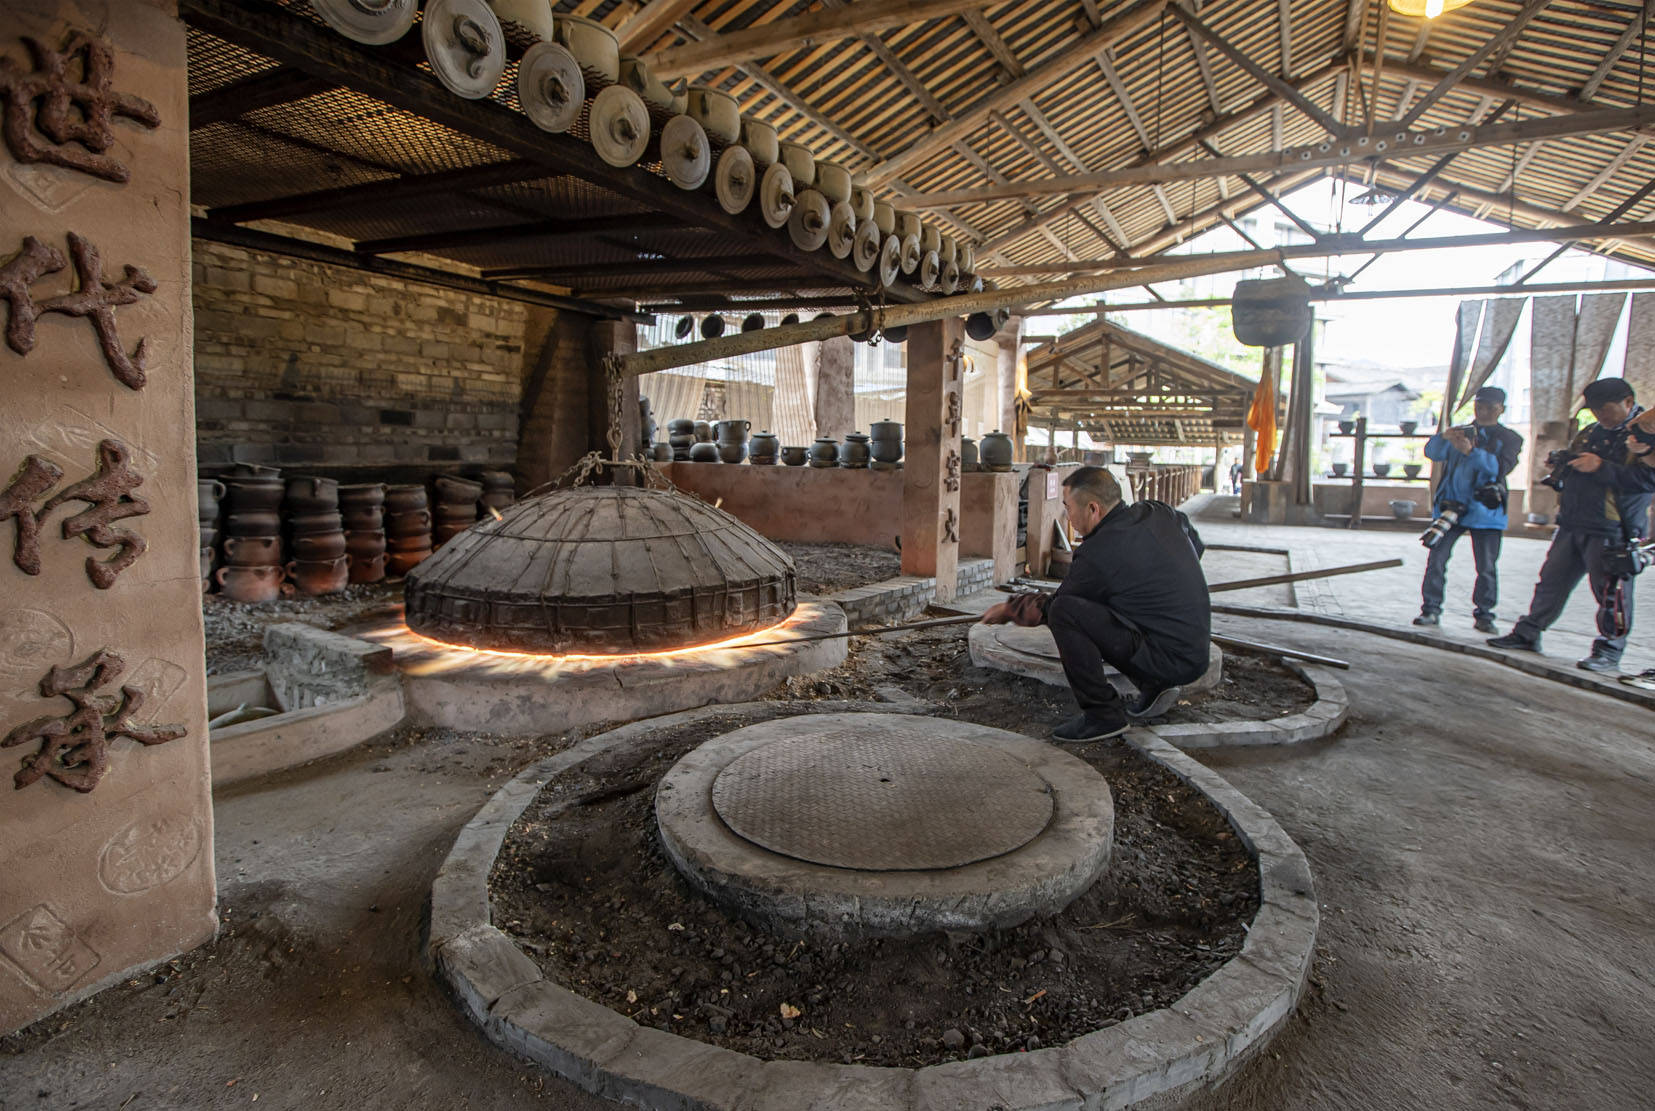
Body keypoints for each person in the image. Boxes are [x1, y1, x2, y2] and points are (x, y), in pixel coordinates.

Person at [980, 466, 1210, 742]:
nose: (1068, 516)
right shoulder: (1159, 511)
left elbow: (1055, 605)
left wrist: (1010, 610)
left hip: (1171, 659)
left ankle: (1103, 715)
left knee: (1065, 613)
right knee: (1118, 600)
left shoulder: (1097, 554)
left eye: (1068, 507)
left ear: (1093, 508)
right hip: (1196, 653)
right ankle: (1154, 683)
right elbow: (1196, 546)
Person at [1489, 377, 1655, 671]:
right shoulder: (1591, 432)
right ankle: (1528, 632)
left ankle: (1609, 650)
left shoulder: (1643, 437)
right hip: (1573, 521)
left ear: (1628, 402)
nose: (1600, 416)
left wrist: (1601, 467)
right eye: (1594, 410)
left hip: (1614, 526)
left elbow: (1647, 480)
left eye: (1606, 409)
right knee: (1551, 581)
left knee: (1610, 592)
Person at [1414, 386, 1524, 633]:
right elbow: (1432, 453)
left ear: (1501, 409)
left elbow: (1500, 468)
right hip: (1451, 506)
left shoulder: (1509, 438)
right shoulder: (1461, 432)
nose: (1483, 411)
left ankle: (1484, 615)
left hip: (1485, 510)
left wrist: (1471, 452)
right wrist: (1444, 437)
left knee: (1485, 566)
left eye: (1489, 407)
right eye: (1479, 406)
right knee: (1436, 559)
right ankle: (1430, 609)